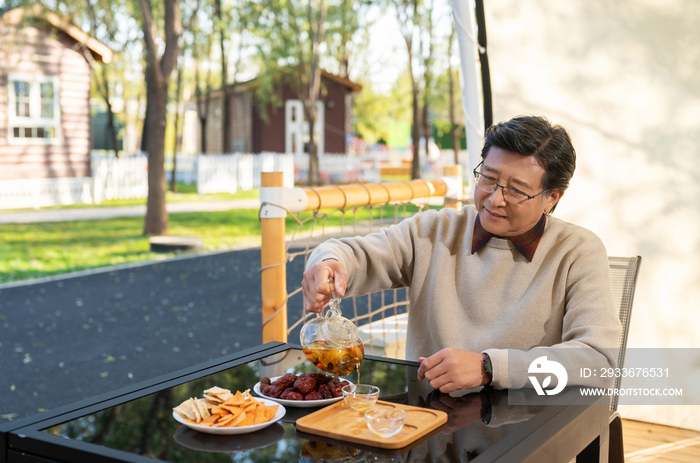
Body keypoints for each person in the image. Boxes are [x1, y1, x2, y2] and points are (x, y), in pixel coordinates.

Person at [301, 115, 621, 393]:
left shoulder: (578, 251)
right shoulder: (435, 231)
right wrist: (329, 261)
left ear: (552, 197)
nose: (495, 199)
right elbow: (356, 255)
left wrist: (488, 368)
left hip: (524, 425)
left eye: (517, 190)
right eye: (489, 179)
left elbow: (598, 360)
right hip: (427, 421)